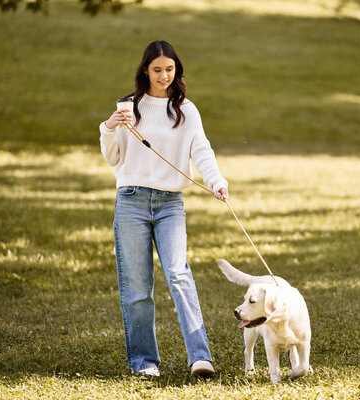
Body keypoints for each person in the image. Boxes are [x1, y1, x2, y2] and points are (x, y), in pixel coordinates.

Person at [99, 40, 228, 378]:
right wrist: (109, 127)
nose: (164, 76)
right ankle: (144, 363)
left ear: (176, 70)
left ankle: (200, 357)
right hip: (132, 201)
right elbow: (113, 157)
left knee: (178, 273)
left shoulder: (187, 110)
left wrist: (216, 181)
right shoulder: (129, 107)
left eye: (169, 69)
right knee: (137, 287)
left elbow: (201, 149)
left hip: (170, 203)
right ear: (146, 70)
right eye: (157, 70)